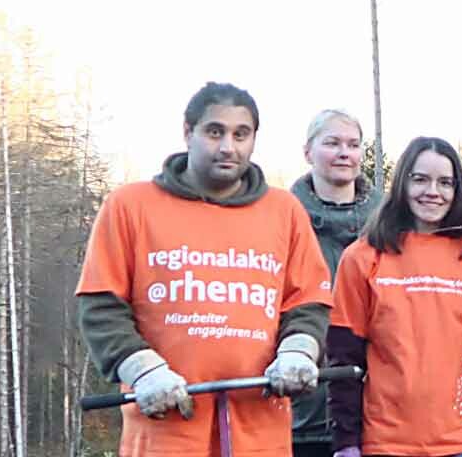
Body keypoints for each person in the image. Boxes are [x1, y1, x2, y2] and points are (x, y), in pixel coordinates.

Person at [76, 82, 332, 456]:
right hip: (165, 430)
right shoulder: (131, 206)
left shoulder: (284, 211)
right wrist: (142, 370)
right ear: (187, 132)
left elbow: (308, 301)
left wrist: (298, 351)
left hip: (260, 432)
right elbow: (101, 306)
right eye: (215, 132)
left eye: (241, 134)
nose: (228, 146)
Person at [326, 137, 462, 457]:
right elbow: (345, 355)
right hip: (384, 442)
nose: (432, 192)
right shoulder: (363, 256)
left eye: (445, 183)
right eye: (420, 179)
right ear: (402, 183)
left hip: (459, 442)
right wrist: (347, 442)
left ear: (457, 190)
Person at [288, 109, 383, 457]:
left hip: (378, 413)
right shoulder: (282, 219)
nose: (345, 152)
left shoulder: (390, 222)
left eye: (353, 144)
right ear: (308, 152)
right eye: (332, 143)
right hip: (300, 411)